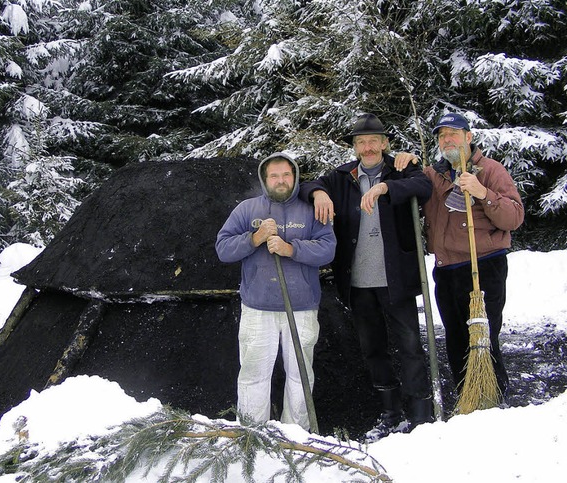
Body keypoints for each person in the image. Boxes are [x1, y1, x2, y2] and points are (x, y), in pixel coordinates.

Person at [298, 113, 434, 442]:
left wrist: (387, 186)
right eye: (361, 142)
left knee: (410, 346)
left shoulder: (401, 168)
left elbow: (424, 185)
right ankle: (391, 413)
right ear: (355, 148)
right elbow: (305, 185)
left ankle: (421, 415)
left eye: (374, 141)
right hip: (358, 283)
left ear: (385, 144)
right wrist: (319, 194)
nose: (368, 147)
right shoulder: (342, 176)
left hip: (396, 280)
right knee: (373, 349)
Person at [215, 152, 336, 431]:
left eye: (286, 175)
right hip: (258, 308)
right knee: (254, 376)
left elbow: (328, 249)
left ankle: (296, 434)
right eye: (274, 176)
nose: (281, 181)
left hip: (301, 307)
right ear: (264, 179)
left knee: (300, 377)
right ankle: (251, 432)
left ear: (294, 177)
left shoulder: (311, 210)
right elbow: (223, 249)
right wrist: (255, 238)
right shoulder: (247, 209)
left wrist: (291, 249)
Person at [422, 112, 524, 400]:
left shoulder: (491, 170)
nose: (447, 140)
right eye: (442, 136)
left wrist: (482, 192)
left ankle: (493, 398)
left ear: (468, 137)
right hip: (446, 270)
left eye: (453, 133)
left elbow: (514, 217)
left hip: (484, 267)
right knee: (455, 340)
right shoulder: (434, 175)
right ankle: (466, 398)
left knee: (483, 340)